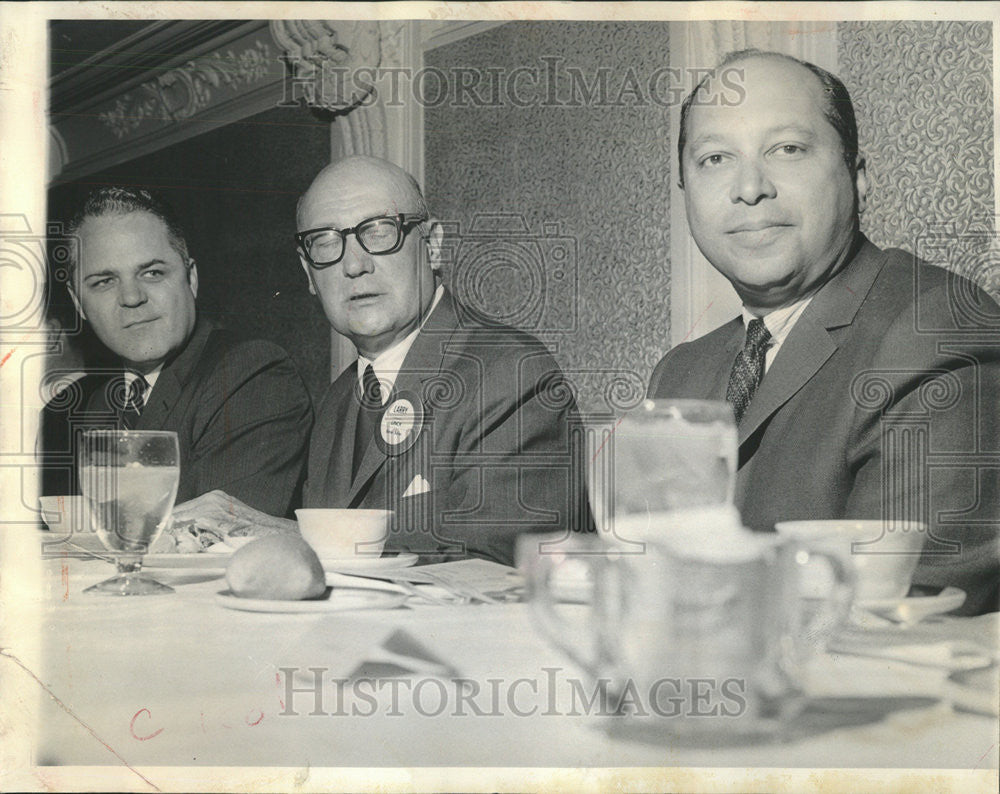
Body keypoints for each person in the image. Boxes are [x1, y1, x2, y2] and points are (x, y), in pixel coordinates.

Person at [648, 50, 1000, 614]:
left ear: (859, 178)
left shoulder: (939, 332)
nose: (749, 187)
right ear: (685, 192)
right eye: (715, 158)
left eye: (787, 149)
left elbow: (908, 618)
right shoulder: (681, 370)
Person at [174, 155, 591, 565]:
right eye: (325, 242)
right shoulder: (339, 401)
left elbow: (501, 553)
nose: (355, 265)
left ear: (432, 245)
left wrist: (295, 536)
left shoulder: (512, 374)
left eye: (379, 232)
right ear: (308, 273)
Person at [39, 187, 313, 517]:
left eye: (152, 273)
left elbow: (223, 539)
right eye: (104, 281)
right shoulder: (68, 408)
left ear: (191, 278)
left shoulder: (250, 373)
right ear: (78, 301)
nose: (131, 297)